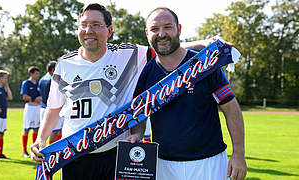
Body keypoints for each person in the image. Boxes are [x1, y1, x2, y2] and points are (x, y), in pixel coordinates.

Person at [30, 3, 210, 180]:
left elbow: (167, 48)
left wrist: (205, 43)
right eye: (83, 25)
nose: (88, 30)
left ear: (109, 31)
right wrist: (41, 139)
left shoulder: (129, 55)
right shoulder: (64, 64)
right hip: (75, 155)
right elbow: (54, 108)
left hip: (115, 154)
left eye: (95, 25)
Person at [128, 8, 247, 180]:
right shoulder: (147, 73)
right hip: (163, 164)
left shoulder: (205, 64)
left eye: (167, 27)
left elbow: (231, 108)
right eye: (154, 29)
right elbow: (140, 113)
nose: (161, 34)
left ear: (179, 29)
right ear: (147, 33)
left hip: (208, 162)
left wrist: (238, 154)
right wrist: (138, 133)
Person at [38, 61, 63, 144]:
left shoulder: (41, 80)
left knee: (45, 133)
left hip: (43, 108)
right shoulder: (53, 81)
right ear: (53, 70)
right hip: (52, 110)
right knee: (54, 132)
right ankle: (52, 154)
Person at [20, 66, 41, 158]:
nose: (38, 75)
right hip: (30, 108)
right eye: (36, 73)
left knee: (36, 128)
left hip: (38, 108)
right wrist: (34, 99)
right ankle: (24, 151)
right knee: (27, 129)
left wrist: (40, 99)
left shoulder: (39, 83)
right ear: (31, 74)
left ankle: (34, 150)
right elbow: (24, 96)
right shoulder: (26, 83)